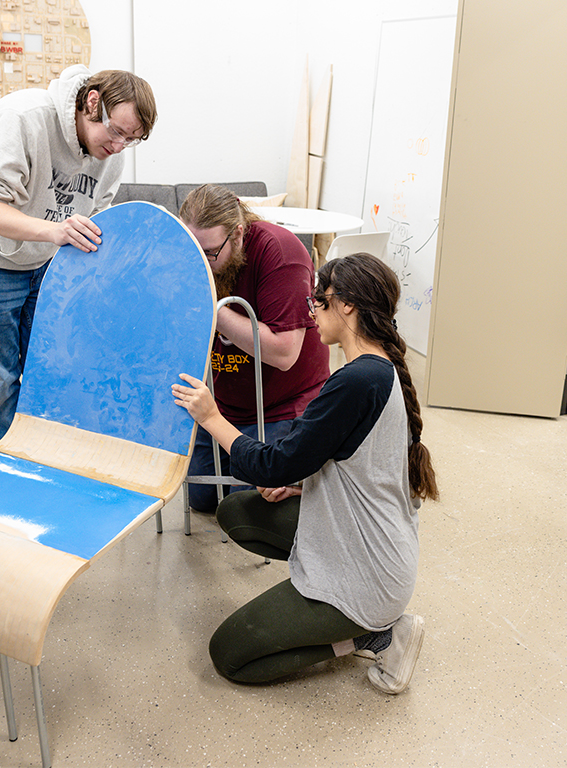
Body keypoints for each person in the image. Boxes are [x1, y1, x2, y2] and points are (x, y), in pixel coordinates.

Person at [171, 252, 438, 693]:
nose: (311, 309)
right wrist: (301, 485)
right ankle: (351, 618)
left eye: (319, 299)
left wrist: (211, 417)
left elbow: (272, 463)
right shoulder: (378, 367)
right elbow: (353, 466)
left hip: (369, 576)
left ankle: (375, 635)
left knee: (230, 655)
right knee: (239, 511)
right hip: (375, 546)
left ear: (347, 304)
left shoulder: (356, 382)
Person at [0, 66, 157, 445]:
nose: (120, 146)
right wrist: (56, 232)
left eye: (132, 139)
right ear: (93, 102)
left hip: (42, 260)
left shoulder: (111, 155)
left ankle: (47, 450)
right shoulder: (23, 118)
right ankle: (13, 463)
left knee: (49, 363)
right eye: (117, 131)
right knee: (0, 377)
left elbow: (94, 218)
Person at [178, 185, 330, 511]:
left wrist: (213, 309)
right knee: (201, 499)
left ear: (238, 233)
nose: (201, 264)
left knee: (245, 505)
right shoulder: (195, 251)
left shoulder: (280, 253)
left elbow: (284, 353)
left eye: (210, 254)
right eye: (193, 251)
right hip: (224, 402)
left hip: (280, 402)